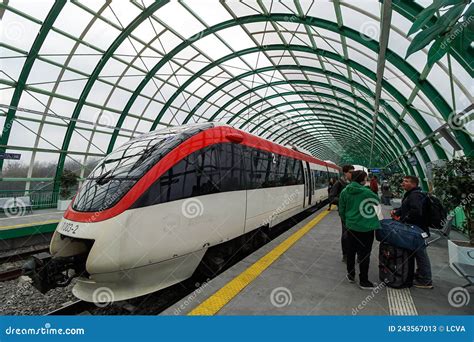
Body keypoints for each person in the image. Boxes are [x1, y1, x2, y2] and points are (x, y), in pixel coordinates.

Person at [339, 170, 380, 289]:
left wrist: (347, 221)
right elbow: (377, 201)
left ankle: (351, 275)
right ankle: (364, 281)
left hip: (351, 226)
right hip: (366, 228)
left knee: (351, 252)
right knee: (364, 254)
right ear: (362, 180)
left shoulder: (345, 191)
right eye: (365, 178)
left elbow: (341, 210)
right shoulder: (366, 191)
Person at [391, 175, 433, 289]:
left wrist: (403, 219)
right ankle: (421, 275)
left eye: (406, 181)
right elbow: (407, 208)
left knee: (420, 254)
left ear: (414, 184)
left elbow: (416, 211)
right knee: (417, 253)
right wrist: (397, 212)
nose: (403, 183)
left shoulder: (415, 195)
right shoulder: (411, 194)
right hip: (416, 229)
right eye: (403, 180)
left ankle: (425, 280)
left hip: (417, 230)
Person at [329, 165, 355, 262]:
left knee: (354, 233)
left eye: (353, 171)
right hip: (344, 213)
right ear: (345, 172)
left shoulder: (354, 182)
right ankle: (346, 254)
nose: (352, 173)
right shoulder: (339, 183)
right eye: (350, 172)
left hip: (354, 212)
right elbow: (331, 197)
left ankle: (353, 253)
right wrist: (343, 201)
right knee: (346, 233)